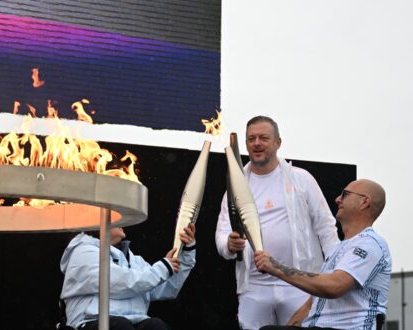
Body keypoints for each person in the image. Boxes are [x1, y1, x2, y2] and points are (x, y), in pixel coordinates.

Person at [215, 115, 340, 329]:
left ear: (278, 143)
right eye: (251, 139)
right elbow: (222, 232)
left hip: (300, 283)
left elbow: (326, 227)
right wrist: (229, 243)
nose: (257, 143)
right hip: (254, 287)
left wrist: (334, 274)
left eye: (263, 138)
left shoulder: (301, 179)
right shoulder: (236, 185)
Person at [256, 179, 391, 330]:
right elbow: (311, 304)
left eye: (345, 194)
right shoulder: (337, 248)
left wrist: (276, 268)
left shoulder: (370, 243)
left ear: (365, 202)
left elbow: (335, 286)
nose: (337, 199)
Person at [59, 223, 196, 330]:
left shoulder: (133, 259)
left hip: (130, 322)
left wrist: (185, 253)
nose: (123, 220)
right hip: (89, 322)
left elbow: (165, 288)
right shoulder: (83, 252)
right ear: (96, 221)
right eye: (115, 215)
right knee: (119, 326)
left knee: (155, 326)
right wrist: (163, 268)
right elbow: (118, 283)